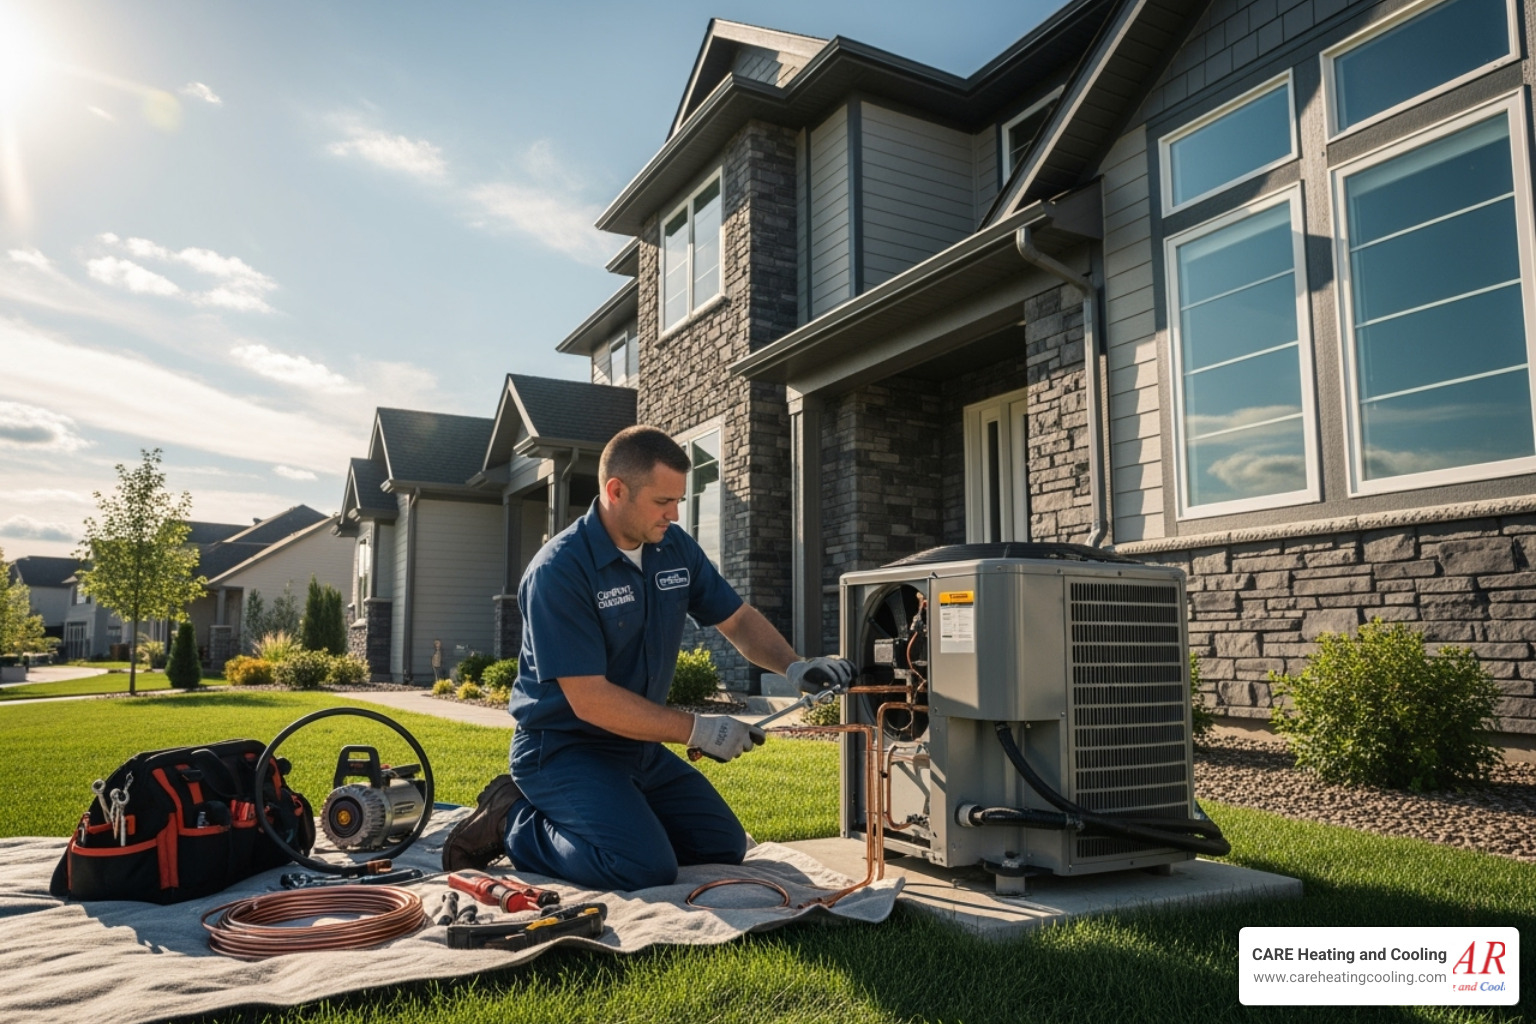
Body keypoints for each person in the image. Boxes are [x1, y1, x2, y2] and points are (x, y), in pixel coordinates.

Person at [443, 426, 855, 890]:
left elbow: (736, 619)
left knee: (722, 845)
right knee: (642, 866)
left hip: (637, 748)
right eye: (664, 502)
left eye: (679, 500)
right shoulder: (560, 571)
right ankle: (514, 822)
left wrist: (794, 666)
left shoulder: (673, 547)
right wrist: (699, 729)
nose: (675, 514)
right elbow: (591, 701)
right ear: (616, 491)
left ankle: (618, 816)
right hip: (563, 749)